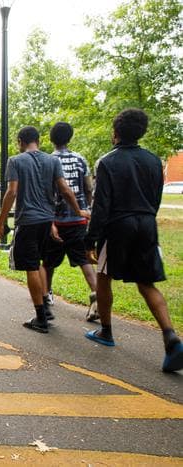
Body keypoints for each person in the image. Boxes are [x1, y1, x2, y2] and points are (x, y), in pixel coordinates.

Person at [84, 108, 183, 372]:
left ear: (115, 133)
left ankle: (106, 331)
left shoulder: (106, 162)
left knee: (104, 276)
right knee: (146, 282)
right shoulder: (153, 161)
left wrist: (91, 239)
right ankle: (170, 336)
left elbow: (101, 205)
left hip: (118, 226)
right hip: (147, 223)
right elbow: (156, 199)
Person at [0, 126, 89, 334]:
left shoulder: (15, 161)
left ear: (20, 141)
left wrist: (0, 222)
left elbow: (12, 192)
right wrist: (79, 210)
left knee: (32, 267)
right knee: (42, 264)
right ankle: (44, 306)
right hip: (48, 221)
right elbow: (65, 189)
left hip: (27, 222)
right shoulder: (52, 161)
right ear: (38, 140)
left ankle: (41, 316)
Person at [42, 122, 98, 321]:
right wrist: (86, 210)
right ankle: (96, 294)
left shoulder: (47, 160)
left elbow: (46, 193)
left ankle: (46, 294)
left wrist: (50, 221)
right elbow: (89, 187)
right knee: (84, 259)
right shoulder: (80, 159)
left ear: (51, 139)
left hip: (55, 219)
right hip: (78, 219)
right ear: (70, 138)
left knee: (48, 262)